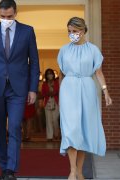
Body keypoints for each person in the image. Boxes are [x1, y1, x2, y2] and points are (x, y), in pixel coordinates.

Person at [0, 0, 40, 179]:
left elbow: (34, 62)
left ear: (15, 13)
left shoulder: (27, 31)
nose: (6, 19)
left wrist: (33, 89)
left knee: (15, 126)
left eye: (9, 16)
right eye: (2, 17)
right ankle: (3, 166)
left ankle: (11, 169)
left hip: (19, 88)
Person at [58, 17, 112, 180]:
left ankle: (79, 171)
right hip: (68, 90)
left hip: (87, 90)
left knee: (83, 131)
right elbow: (61, 73)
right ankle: (72, 171)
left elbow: (98, 72)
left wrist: (105, 91)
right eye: (69, 31)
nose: (72, 34)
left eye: (74, 31)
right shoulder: (64, 50)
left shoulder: (93, 50)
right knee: (71, 130)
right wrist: (61, 93)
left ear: (83, 31)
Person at [41, 68, 60, 141]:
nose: (50, 75)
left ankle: (56, 134)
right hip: (47, 102)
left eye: (51, 73)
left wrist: (55, 93)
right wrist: (47, 93)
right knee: (48, 120)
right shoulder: (44, 84)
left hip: (56, 102)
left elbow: (59, 91)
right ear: (46, 75)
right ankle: (49, 137)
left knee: (55, 119)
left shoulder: (57, 82)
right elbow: (42, 93)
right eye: (48, 74)